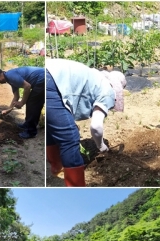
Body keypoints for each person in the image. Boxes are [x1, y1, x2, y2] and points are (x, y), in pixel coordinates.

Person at [46, 58, 127, 187]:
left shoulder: (96, 77)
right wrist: (101, 146)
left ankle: (57, 167)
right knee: (70, 138)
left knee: (53, 128)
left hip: (46, 73)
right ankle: (76, 187)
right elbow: (95, 126)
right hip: (52, 80)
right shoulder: (108, 92)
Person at [0, 67, 45, 139]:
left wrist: (22, 102)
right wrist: (8, 110)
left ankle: (31, 132)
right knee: (32, 103)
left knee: (32, 105)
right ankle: (28, 124)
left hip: (42, 78)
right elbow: (16, 96)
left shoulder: (10, 76)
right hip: (41, 79)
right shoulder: (10, 79)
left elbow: (27, 86)